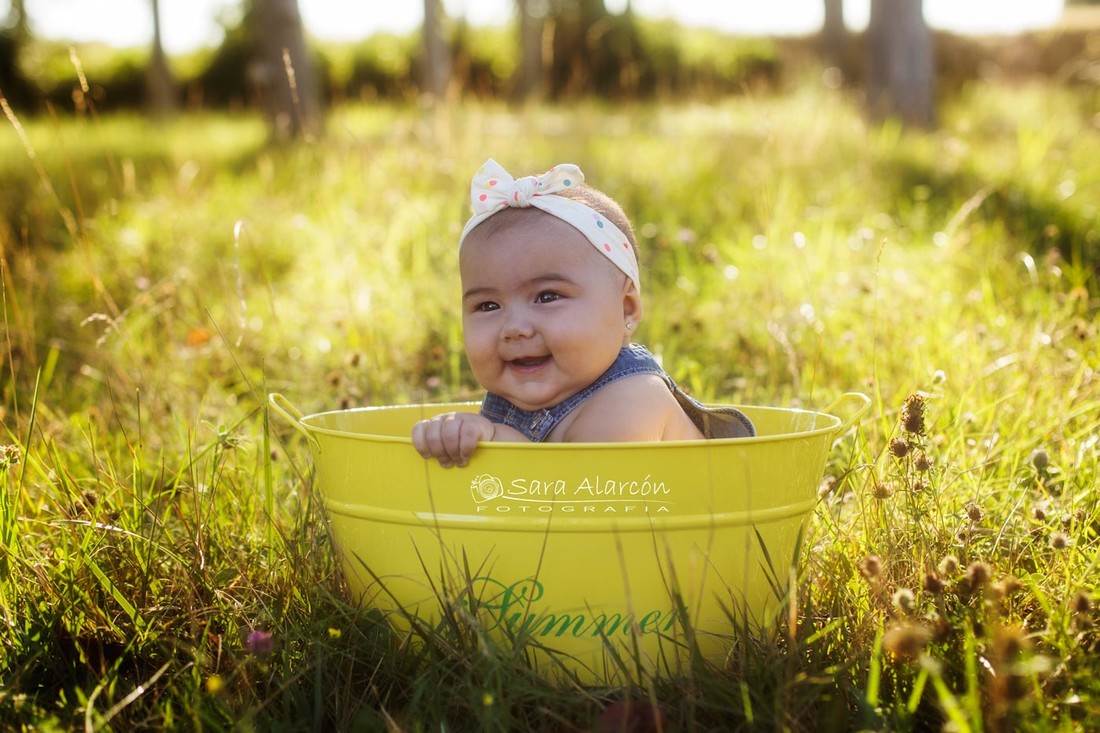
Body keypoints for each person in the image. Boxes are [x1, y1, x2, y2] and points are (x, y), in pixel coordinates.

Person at [412, 159, 754, 468]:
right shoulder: (514, 398)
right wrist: (458, 438)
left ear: (626, 308)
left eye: (547, 297)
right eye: (488, 305)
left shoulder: (632, 399)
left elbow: (583, 493)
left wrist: (493, 441)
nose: (514, 328)